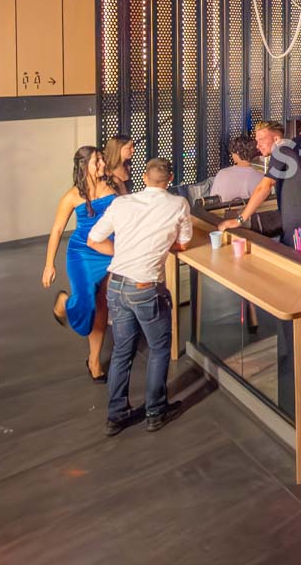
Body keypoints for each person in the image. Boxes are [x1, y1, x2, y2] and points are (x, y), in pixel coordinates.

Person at [86, 158, 192, 435]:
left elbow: (93, 239)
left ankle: (116, 416)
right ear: (169, 180)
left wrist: (123, 253)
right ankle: (155, 412)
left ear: (144, 178)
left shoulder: (121, 203)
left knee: (122, 351)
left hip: (116, 285)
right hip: (146, 287)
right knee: (159, 348)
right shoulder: (178, 204)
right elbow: (183, 244)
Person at [42, 146, 122, 382]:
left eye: (102, 159)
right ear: (84, 166)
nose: (102, 164)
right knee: (87, 302)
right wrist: (49, 264)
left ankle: (94, 361)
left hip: (108, 250)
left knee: (102, 304)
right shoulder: (72, 196)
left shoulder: (114, 185)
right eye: (97, 161)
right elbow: (57, 230)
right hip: (82, 252)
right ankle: (66, 302)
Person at [218, 121, 301, 246]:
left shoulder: (280, 151)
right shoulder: (292, 149)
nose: (258, 145)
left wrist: (239, 220)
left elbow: (265, 187)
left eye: (262, 139)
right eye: (257, 141)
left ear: (276, 138)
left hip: (300, 228)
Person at [209, 133, 263, 202]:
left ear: (236, 153)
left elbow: (213, 200)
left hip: (225, 209)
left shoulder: (222, 174)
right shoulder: (261, 177)